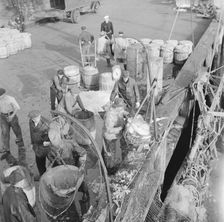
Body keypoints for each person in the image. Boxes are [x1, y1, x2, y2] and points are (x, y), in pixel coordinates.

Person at [102, 98, 128, 174]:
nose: (122, 108)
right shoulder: (110, 116)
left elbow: (122, 112)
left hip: (116, 136)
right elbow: (109, 130)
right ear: (116, 107)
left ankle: (114, 163)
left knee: (116, 150)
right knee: (110, 153)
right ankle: (110, 169)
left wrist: (127, 114)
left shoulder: (118, 110)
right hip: (110, 137)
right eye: (121, 107)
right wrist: (120, 129)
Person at [0, 88, 25, 166]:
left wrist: (12, 116)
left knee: (16, 130)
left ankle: (21, 145)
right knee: (5, 133)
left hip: (12, 116)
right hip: (3, 117)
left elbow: (17, 107)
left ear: (3, 95)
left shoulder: (10, 99)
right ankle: (6, 150)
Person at [28, 110, 51, 177]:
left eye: (35, 118)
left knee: (52, 163)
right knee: (40, 164)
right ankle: (42, 176)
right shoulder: (31, 122)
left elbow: (54, 136)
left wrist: (49, 143)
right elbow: (31, 133)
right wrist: (32, 143)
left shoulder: (47, 124)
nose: (34, 120)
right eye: (32, 118)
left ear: (40, 116)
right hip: (38, 147)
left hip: (47, 147)